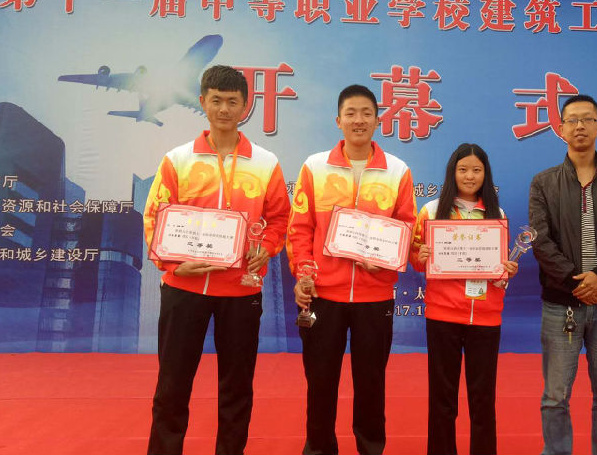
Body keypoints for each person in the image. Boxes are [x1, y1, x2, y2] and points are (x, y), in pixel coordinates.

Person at [143, 65, 291, 455]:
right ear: (202, 102)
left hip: (241, 291)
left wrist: (267, 246)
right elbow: (154, 217)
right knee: (172, 384)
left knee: (237, 387)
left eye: (232, 102)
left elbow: (280, 217)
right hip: (184, 287)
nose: (224, 109)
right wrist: (172, 266)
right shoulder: (178, 159)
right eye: (216, 100)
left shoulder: (265, 163)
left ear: (245, 106)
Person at [286, 84, 417, 455]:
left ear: (378, 120)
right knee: (321, 382)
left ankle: (370, 448)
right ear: (338, 120)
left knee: (371, 383)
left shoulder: (397, 170)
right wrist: (305, 274)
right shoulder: (315, 167)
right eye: (351, 113)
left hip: (375, 297)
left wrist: (384, 260)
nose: (358, 120)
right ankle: (319, 448)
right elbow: (300, 228)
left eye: (366, 113)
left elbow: (407, 228)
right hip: (324, 294)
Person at [527, 95, 597, 455]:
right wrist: (576, 282)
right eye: (572, 120)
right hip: (562, 304)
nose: (579, 126)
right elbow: (540, 240)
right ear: (560, 129)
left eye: (587, 119)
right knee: (555, 395)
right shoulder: (543, 183)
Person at [410, 143, 518, 455]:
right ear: (452, 173)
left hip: (485, 317)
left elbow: (499, 268)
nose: (469, 176)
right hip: (442, 316)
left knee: (483, 397)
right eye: (463, 170)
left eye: (476, 170)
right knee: (442, 397)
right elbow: (414, 258)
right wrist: (421, 255)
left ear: (486, 174)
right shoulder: (431, 211)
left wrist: (507, 269)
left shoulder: (497, 214)